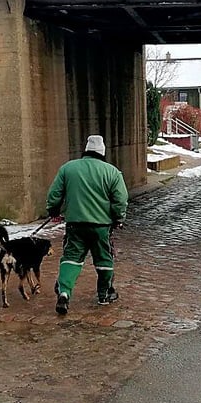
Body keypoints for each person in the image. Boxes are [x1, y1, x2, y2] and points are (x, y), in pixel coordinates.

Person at [46, 134, 128, 315]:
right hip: (101, 226)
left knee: (71, 258)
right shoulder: (112, 172)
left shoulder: (68, 168)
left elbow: (54, 194)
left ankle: (65, 292)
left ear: (86, 150)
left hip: (75, 224)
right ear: (102, 153)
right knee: (104, 260)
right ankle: (104, 295)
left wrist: (53, 211)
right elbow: (120, 200)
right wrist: (118, 218)